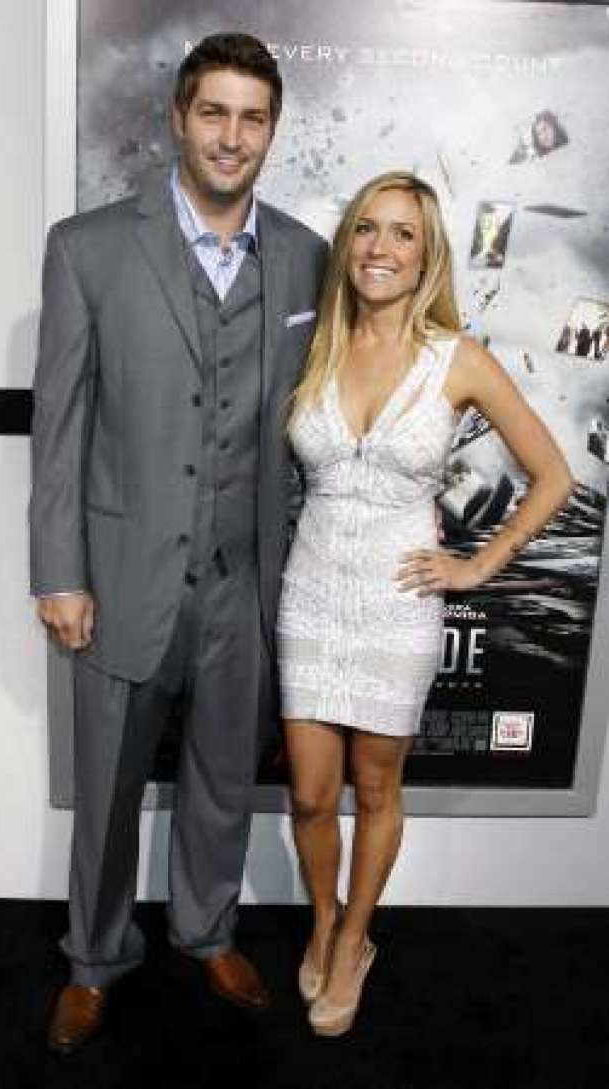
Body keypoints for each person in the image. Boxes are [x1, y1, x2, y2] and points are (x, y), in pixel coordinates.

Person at [30, 32, 328, 1052]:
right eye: (214, 113)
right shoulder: (89, 248)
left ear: (271, 131)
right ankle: (94, 957)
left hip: (242, 580)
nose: (231, 137)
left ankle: (207, 931)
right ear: (177, 119)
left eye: (252, 117)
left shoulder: (302, 255)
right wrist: (59, 571)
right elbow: (59, 429)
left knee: (220, 778)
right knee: (108, 788)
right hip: (119, 576)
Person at [276, 171, 572, 1037]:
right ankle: (322, 917)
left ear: (428, 255)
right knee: (307, 794)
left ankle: (355, 939)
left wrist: (482, 564)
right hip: (311, 593)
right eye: (367, 228)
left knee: (375, 786)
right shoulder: (315, 342)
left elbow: (555, 476)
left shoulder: (459, 359)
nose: (381, 248)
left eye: (403, 234)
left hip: (399, 601)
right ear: (349, 244)